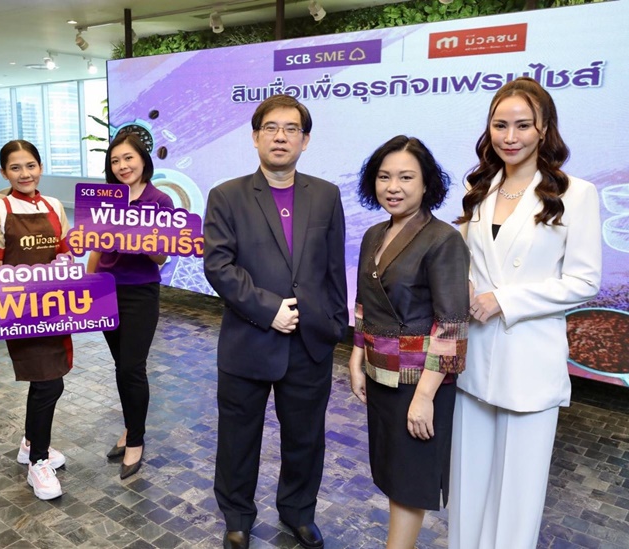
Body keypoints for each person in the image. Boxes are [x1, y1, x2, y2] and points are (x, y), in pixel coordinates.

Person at [448, 77, 602, 549]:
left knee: (518, 495)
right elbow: (466, 259)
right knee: (466, 485)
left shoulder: (575, 193)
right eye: (500, 125)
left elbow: (584, 282)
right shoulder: (477, 187)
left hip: (530, 361)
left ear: (544, 129)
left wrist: (505, 300)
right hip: (476, 357)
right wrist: (464, 283)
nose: (509, 136)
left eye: (522, 125)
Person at [203, 94, 347, 549]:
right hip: (248, 340)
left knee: (306, 439)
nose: (280, 136)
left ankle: (298, 511)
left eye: (291, 129)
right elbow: (218, 267)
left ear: (305, 140)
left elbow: (334, 268)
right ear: (255, 137)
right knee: (237, 438)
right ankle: (237, 518)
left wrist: (335, 325)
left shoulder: (325, 195)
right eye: (271, 128)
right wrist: (270, 310)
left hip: (310, 343)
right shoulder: (226, 195)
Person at [347, 136, 469, 549]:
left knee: (410, 481)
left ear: (426, 183)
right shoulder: (374, 234)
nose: (393, 187)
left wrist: (424, 397)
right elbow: (364, 303)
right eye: (384, 177)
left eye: (405, 177)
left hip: (419, 383)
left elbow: (452, 326)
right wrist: (357, 356)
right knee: (391, 471)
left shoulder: (443, 239)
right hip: (380, 376)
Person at [0, 139, 72, 500]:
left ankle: (30, 444)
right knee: (48, 383)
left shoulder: (53, 205)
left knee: (48, 381)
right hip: (20, 309)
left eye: (30, 165)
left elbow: (63, 251)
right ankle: (38, 463)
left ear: (40, 167)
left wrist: (66, 261)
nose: (24, 174)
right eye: (15, 167)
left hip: (54, 305)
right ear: (4, 172)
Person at [86, 132, 172, 480]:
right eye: (115, 161)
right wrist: (88, 284)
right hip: (105, 289)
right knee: (121, 366)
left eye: (128, 158)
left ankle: (135, 440)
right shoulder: (106, 198)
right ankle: (130, 426)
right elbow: (96, 245)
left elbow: (161, 257)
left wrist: (142, 238)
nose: (122, 166)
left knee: (133, 368)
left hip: (140, 294)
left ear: (142, 160)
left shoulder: (159, 201)